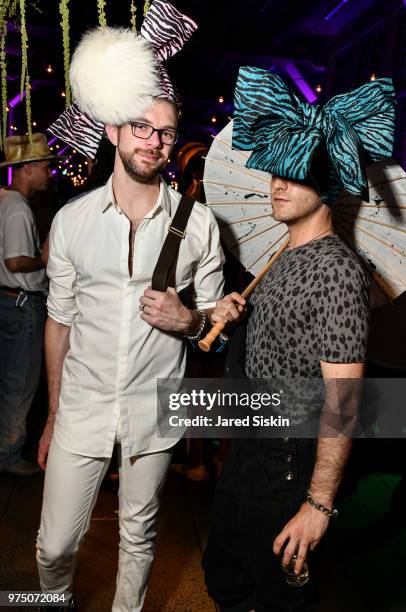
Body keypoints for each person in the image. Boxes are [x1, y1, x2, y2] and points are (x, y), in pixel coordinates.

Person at [35, 3, 224, 611]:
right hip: (82, 409)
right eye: (141, 126)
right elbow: (58, 324)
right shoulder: (71, 222)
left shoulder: (199, 227)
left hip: (152, 412)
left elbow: (217, 330)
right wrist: (53, 413)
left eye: (166, 130)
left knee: (139, 538)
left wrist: (191, 320)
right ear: (114, 130)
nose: (155, 140)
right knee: (52, 547)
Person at [202, 67, 396, 611]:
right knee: (226, 580)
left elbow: (345, 400)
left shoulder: (336, 269)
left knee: (275, 599)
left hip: (286, 464)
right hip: (247, 447)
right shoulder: (282, 257)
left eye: (295, 173)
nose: (277, 184)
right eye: (273, 172)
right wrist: (233, 313)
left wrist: (318, 502)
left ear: (329, 184)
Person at [0, 133, 55, 476]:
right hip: (22, 303)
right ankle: (8, 453)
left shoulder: (3, 200)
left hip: (6, 300)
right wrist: (44, 258)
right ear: (29, 168)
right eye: (45, 168)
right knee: (20, 383)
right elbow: (16, 262)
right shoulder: (18, 207)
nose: (49, 174)